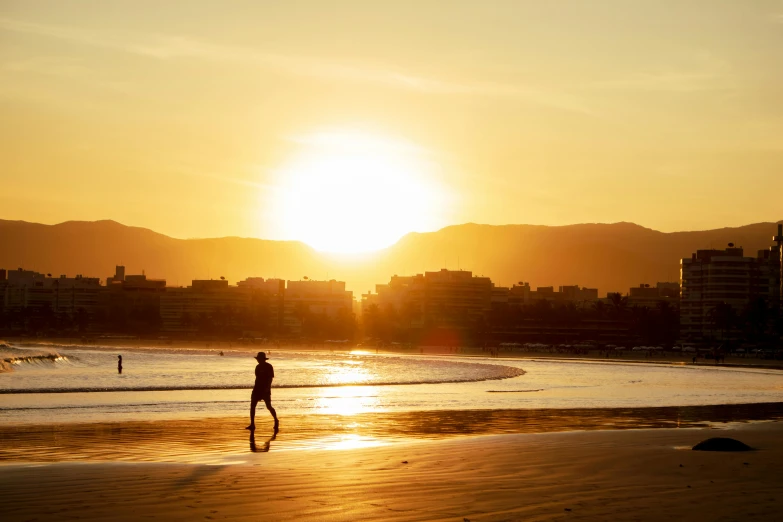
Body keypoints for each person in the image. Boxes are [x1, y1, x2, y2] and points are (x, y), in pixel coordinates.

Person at [246, 352, 278, 431]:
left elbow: (270, 379)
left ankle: (276, 420)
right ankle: (252, 424)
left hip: (265, 389)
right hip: (257, 389)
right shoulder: (257, 367)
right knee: (252, 406)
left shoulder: (269, 366)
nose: (258, 360)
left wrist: (267, 388)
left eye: (259, 359)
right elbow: (257, 378)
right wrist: (255, 389)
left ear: (263, 359)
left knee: (268, 406)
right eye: (258, 359)